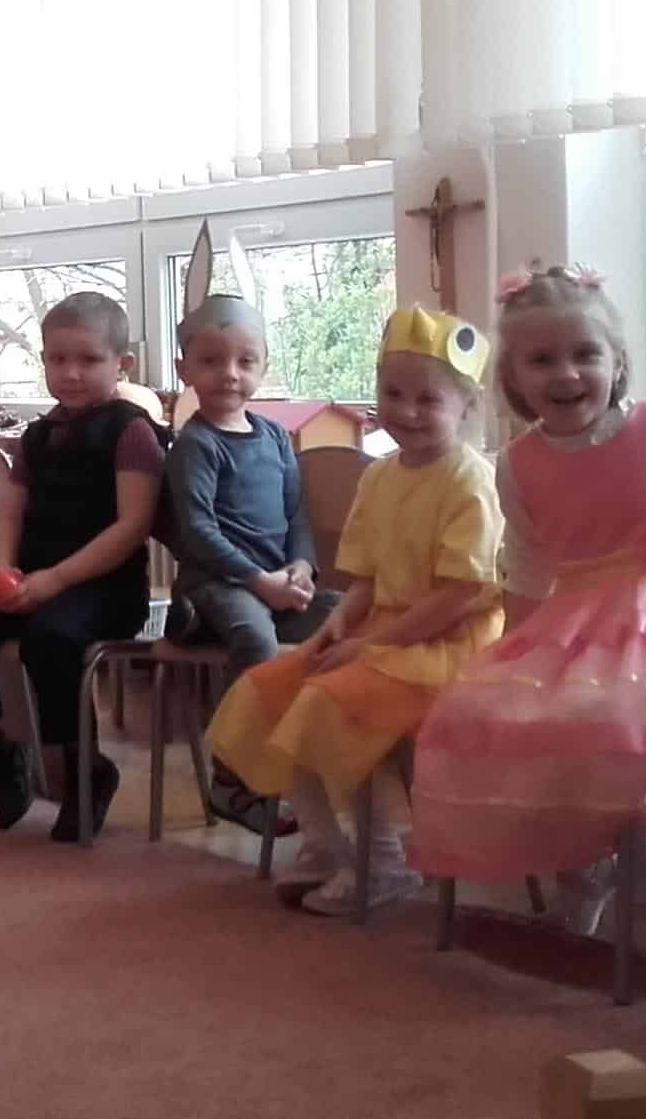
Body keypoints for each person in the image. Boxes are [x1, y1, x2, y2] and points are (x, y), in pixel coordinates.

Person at [408, 264, 646, 947]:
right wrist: (511, 658)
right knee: (488, 712)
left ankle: (642, 880)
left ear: (617, 361)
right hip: (582, 618)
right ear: (512, 377)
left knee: (593, 720)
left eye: (586, 354)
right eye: (541, 360)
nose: (567, 374)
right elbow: (529, 565)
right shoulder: (515, 463)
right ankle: (598, 870)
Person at [204, 307, 505, 917]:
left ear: (467, 405)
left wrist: (367, 646)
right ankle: (327, 846)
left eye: (428, 399)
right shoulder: (380, 476)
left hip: (450, 644)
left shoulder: (469, 480)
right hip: (386, 633)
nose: (407, 411)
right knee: (271, 691)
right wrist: (339, 626)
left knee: (331, 706)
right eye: (393, 394)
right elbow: (366, 578)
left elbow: (459, 596)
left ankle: (383, 861)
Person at [0, 290, 163, 841]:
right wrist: (1, 573)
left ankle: (84, 771)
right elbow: (10, 515)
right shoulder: (37, 436)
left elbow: (131, 527)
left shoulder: (131, 431)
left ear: (121, 364)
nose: (71, 373)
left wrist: (54, 582)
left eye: (88, 360)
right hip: (35, 583)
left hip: (104, 591)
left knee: (50, 639)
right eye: (58, 359)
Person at [162, 293, 338, 832]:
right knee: (257, 642)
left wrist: (302, 568)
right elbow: (198, 532)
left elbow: (297, 515)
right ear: (184, 369)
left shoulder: (276, 437)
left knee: (348, 616)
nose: (229, 374)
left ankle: (325, 768)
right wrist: (261, 582)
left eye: (245, 361)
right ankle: (232, 781)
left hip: (278, 582)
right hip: (219, 583)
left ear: (264, 366)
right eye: (211, 361)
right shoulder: (196, 445)